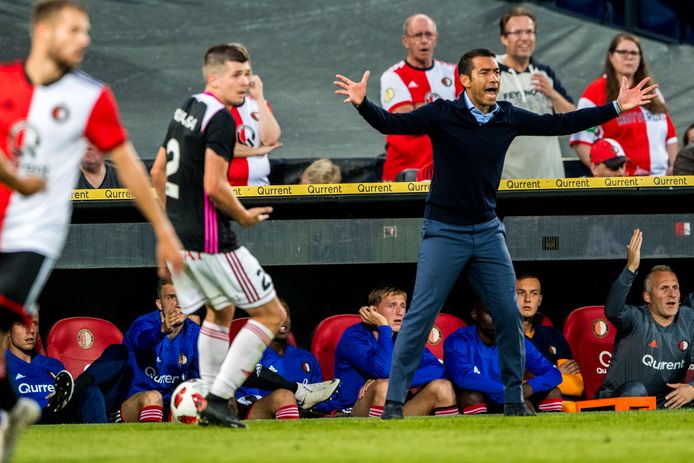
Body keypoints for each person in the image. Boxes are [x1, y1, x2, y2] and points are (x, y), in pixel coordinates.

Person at [334, 47, 657, 418]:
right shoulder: (443, 113)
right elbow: (394, 125)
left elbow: (560, 124)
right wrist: (362, 103)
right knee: (421, 316)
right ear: (465, 80)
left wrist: (616, 107)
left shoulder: (506, 116)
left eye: (497, 73)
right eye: (486, 72)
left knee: (508, 313)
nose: (494, 79)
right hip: (444, 231)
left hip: (488, 230)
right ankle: (393, 404)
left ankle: (514, 400)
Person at [0, 1, 183, 457]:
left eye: (87, 31)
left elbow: (131, 168)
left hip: (32, 236)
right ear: (43, 31)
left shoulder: (90, 95)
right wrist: (16, 179)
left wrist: (162, 227)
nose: (85, 40)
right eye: (74, 30)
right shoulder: (4, 83)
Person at [150, 43, 287, 428]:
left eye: (248, 74)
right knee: (271, 314)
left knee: (221, 310)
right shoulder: (222, 118)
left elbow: (157, 173)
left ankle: (212, 404)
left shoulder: (187, 106)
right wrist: (243, 217)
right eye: (236, 75)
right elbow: (214, 185)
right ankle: (219, 395)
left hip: (183, 239)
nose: (245, 82)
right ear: (213, 77)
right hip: (213, 241)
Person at [322, 286, 458, 418]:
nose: (399, 312)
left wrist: (395, 380)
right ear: (373, 311)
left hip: (395, 409)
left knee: (443, 386)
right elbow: (383, 371)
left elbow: (439, 370)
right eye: (392, 306)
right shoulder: (353, 336)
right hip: (352, 409)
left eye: (403, 306)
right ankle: (378, 439)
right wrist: (383, 326)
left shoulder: (405, 338)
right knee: (383, 387)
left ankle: (442, 439)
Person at [596, 229, 694, 409]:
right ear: (647, 297)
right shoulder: (636, 318)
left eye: (675, 287)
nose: (672, 294)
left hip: (666, 404)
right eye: (664, 288)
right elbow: (612, 311)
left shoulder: (688, 319)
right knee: (636, 390)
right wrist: (631, 268)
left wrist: (692, 388)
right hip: (618, 399)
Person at [570, 32, 678, 176]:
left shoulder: (651, 91)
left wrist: (674, 167)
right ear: (611, 56)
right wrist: (606, 173)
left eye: (634, 53)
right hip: (621, 183)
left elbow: (670, 136)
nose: (629, 57)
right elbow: (581, 142)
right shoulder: (594, 92)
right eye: (623, 52)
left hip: (660, 181)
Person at [379, 14, 461, 181]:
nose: (424, 40)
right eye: (417, 35)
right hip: (404, 173)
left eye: (428, 34)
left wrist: (421, 107)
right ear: (405, 41)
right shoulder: (393, 76)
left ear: (435, 39)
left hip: (447, 171)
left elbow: (470, 113)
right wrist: (451, 110)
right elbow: (408, 121)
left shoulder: (454, 72)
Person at [497, 6, 575, 179]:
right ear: (504, 38)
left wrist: (552, 93)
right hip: (507, 182)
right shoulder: (490, 72)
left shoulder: (544, 73)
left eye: (529, 32)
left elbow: (573, 119)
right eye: (517, 32)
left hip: (550, 178)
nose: (524, 38)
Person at [444, 301, 563, 414]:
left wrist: (530, 387)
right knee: (471, 397)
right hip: (483, 397)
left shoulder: (516, 341)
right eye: (490, 313)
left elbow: (553, 374)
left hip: (509, 396)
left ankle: (548, 432)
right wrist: (510, 393)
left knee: (554, 392)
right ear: (475, 315)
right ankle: (480, 434)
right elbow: (462, 377)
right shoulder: (459, 340)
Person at [234, 301, 340, 420]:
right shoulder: (250, 352)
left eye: (286, 314)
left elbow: (320, 399)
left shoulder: (307, 358)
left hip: (299, 414)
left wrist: (335, 412)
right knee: (284, 396)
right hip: (253, 412)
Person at [118, 279, 200, 423]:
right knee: (153, 397)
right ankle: (153, 443)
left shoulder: (195, 333)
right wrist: (161, 330)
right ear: (159, 304)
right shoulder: (143, 324)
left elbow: (199, 378)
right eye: (171, 298)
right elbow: (142, 342)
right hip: (136, 404)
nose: (178, 304)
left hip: (172, 404)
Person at [516, 275, 584, 398]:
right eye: (520, 293)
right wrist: (557, 373)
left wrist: (533, 378)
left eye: (533, 293)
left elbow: (576, 386)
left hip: (559, 404)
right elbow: (512, 386)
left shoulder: (553, 335)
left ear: (540, 300)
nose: (527, 299)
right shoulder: (501, 336)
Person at [5, 313, 78, 424]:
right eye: (22, 324)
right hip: (26, 425)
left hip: (61, 422)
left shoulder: (54, 365)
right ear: (8, 330)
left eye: (34, 323)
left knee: (91, 391)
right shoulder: (3, 366)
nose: (31, 330)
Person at [225, 43, 281, 187]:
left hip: (260, 190)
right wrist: (258, 151)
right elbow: (219, 145)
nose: (243, 80)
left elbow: (271, 139)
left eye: (246, 73)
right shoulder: (213, 106)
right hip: (227, 192)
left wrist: (259, 97)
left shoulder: (256, 104)